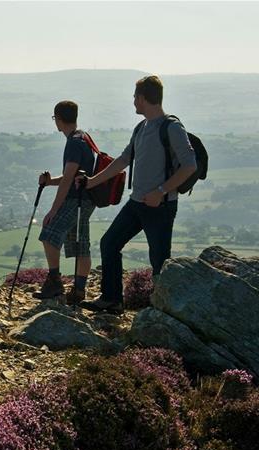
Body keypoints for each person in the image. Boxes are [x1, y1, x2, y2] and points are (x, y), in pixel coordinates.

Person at [78, 75, 197, 313]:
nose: (133, 102)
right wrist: (92, 182)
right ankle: (112, 300)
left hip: (160, 206)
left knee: (160, 261)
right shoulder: (140, 128)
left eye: (135, 97)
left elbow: (190, 165)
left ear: (142, 98)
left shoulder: (172, 127)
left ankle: (165, 312)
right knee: (109, 243)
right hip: (136, 203)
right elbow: (123, 159)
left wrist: (161, 191)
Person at [33, 100, 96, 305]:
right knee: (81, 245)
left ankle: (54, 282)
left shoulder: (73, 143)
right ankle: (78, 290)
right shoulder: (84, 137)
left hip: (75, 199)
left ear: (59, 119)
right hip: (87, 198)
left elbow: (69, 178)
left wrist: (53, 210)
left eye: (55, 119)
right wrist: (50, 182)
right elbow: (73, 174)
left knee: (49, 232)